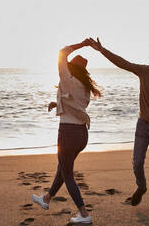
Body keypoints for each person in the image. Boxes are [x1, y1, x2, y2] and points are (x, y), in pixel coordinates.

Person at [88, 37, 149, 216]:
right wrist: (102, 50)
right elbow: (122, 63)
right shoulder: (144, 71)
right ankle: (141, 187)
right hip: (143, 124)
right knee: (136, 162)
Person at [32, 39, 101, 224]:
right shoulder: (85, 87)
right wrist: (57, 103)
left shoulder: (67, 77)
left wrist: (83, 43)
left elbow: (62, 51)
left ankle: (84, 214)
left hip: (68, 133)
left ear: (71, 67)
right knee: (63, 169)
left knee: (68, 174)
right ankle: (46, 199)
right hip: (81, 135)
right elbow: (75, 104)